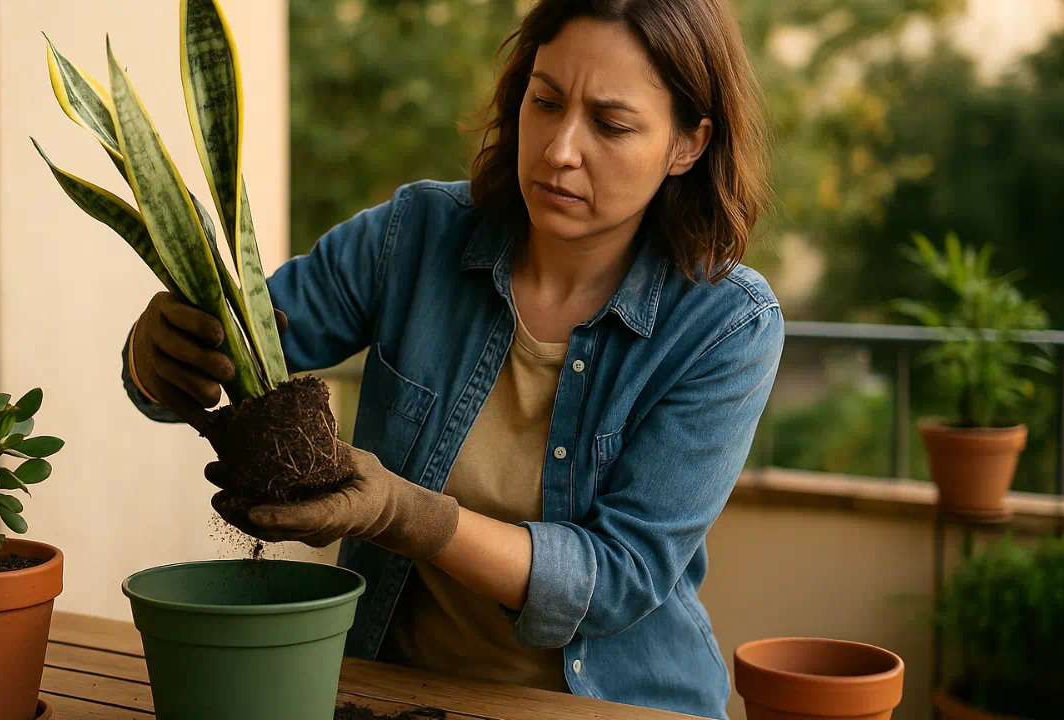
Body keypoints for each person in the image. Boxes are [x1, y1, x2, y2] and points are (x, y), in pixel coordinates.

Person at [121, 0, 782, 717]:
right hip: (403, 696)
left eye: (611, 125)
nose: (561, 149)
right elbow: (238, 346)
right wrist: (155, 357)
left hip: (619, 704)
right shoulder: (415, 238)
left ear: (688, 144)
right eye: (546, 100)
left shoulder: (726, 325)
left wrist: (409, 516)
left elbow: (619, 576)